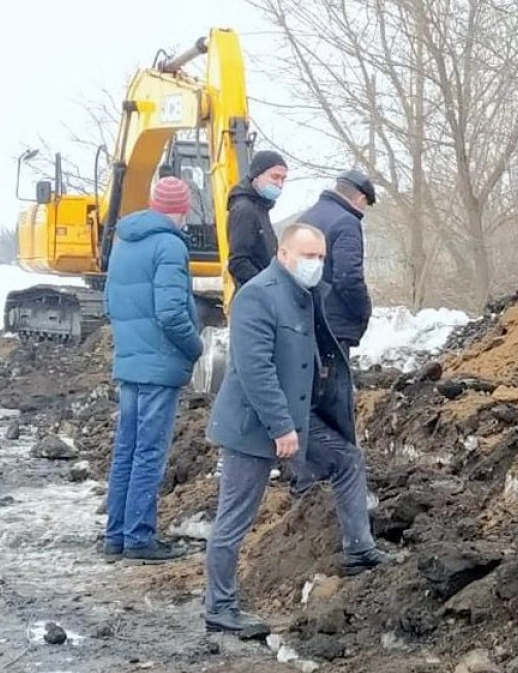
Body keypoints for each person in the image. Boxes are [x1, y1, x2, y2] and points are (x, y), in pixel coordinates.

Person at [201, 223, 392, 635]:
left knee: (346, 459)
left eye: (322, 257)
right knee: (234, 518)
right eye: (309, 256)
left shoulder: (305, 296)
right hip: (254, 426)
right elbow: (255, 369)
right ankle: (220, 607)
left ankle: (359, 549)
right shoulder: (257, 297)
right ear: (284, 255)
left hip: (296, 420)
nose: (316, 264)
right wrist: (281, 426)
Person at [102, 176, 203, 564]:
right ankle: (140, 538)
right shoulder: (170, 246)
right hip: (160, 366)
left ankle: (116, 536)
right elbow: (172, 313)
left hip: (130, 361)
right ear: (183, 209)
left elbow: (110, 304)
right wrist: (195, 348)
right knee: (149, 451)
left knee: (126, 449)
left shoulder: (124, 241)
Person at [297, 169, 377, 359]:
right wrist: (363, 311)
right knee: (334, 384)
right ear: (360, 197)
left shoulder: (306, 218)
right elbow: (348, 277)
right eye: (366, 204)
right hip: (333, 323)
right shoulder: (346, 222)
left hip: (303, 318)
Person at [225, 150, 288, 289]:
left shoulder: (261, 208)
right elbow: (239, 261)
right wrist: (267, 287)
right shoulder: (244, 210)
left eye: (283, 179)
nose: (280, 184)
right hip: (255, 296)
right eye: (275, 177)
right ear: (257, 175)